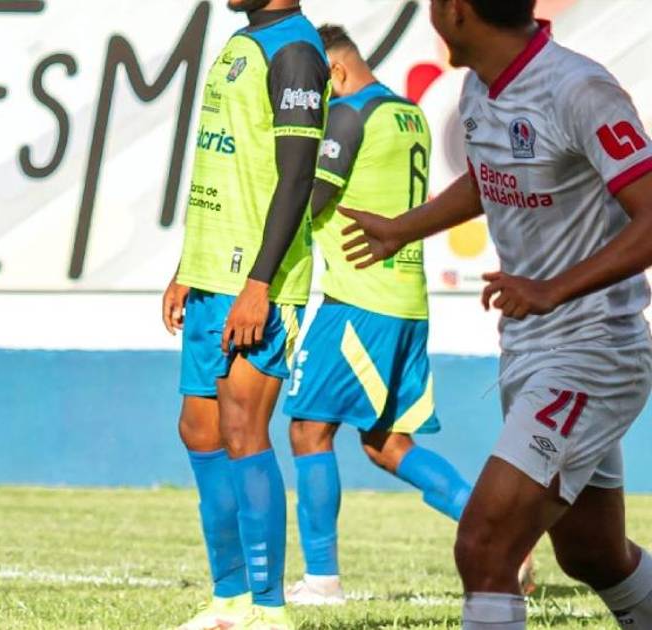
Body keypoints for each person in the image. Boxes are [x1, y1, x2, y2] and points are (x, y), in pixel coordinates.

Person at [342, 1, 652, 627]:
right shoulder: (480, 88)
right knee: (592, 554)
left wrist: (553, 289)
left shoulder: (578, 88)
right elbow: (488, 178)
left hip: (593, 352)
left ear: (457, 10)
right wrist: (403, 229)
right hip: (533, 350)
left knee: (485, 545)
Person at [281, 24, 474, 606]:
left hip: (359, 300)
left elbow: (308, 200)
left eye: (314, 85)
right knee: (385, 443)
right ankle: (497, 532)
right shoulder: (408, 114)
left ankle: (321, 582)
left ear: (336, 72)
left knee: (308, 429)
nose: (309, 99)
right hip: (405, 301)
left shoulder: (348, 115)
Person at [161, 1, 328, 628]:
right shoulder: (242, 42)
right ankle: (228, 600)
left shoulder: (295, 51)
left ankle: (269, 609)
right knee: (199, 430)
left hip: (258, 281)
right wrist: (187, 264)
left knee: (242, 430)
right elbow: (222, 163)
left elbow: (296, 178)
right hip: (211, 274)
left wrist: (260, 284)